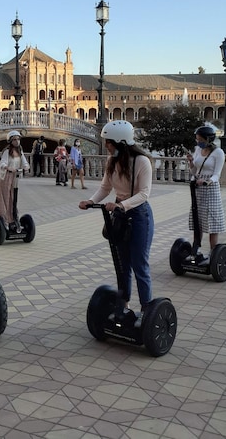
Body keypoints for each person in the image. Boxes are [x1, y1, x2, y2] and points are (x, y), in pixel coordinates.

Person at [79, 120, 154, 314]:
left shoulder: (141, 161)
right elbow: (105, 187)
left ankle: (147, 310)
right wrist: (90, 200)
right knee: (122, 264)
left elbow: (144, 193)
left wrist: (121, 205)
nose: (106, 146)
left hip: (139, 215)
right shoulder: (111, 161)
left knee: (139, 264)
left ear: (121, 142)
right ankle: (124, 305)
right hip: (120, 215)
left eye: (109, 142)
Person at [186, 125, 226, 252]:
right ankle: (196, 249)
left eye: (201, 140)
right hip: (197, 189)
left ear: (208, 139)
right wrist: (191, 162)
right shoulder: (197, 150)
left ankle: (213, 252)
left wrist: (206, 182)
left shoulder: (218, 153)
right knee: (198, 220)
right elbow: (194, 171)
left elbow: (217, 175)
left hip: (210, 189)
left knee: (212, 221)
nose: (198, 142)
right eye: (197, 140)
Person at [0, 130, 30, 229]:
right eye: (14, 139)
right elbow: (2, 163)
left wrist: (26, 166)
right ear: (10, 141)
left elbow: (24, 161)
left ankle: (13, 218)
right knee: (6, 198)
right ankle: (6, 220)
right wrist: (7, 168)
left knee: (13, 198)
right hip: (6, 177)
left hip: (15, 177)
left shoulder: (20, 150)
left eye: (18, 139)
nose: (17, 141)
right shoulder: (7, 151)